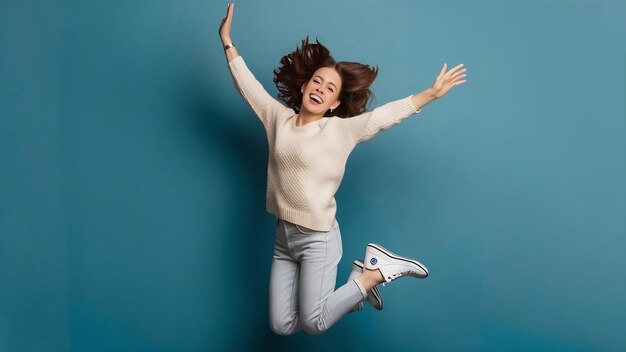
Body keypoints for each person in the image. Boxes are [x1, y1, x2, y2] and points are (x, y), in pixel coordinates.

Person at [219, 2, 468, 336]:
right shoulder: (276, 119)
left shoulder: (339, 131)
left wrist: (429, 95)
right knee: (281, 325)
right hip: (283, 238)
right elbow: (247, 86)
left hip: (317, 240)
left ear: (335, 103)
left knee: (314, 323)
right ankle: (358, 287)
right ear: (305, 87)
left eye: (330, 88)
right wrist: (227, 41)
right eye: (317, 82)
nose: (320, 89)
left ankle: (372, 275)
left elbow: (383, 117)